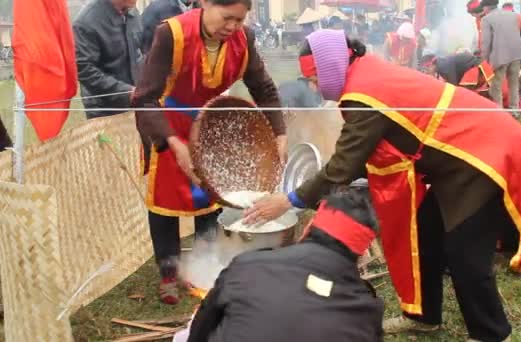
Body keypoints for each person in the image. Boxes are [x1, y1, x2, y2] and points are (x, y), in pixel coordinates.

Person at [244, 30, 521, 342]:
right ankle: (424, 316)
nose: (313, 86)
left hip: (481, 152)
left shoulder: (365, 92)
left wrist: (288, 200)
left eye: (314, 77)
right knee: (426, 234)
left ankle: (492, 334)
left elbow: (344, 165)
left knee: (465, 252)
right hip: (457, 158)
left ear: (331, 66)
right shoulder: (363, 75)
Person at [131, 0, 287, 305]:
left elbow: (264, 89)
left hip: (213, 122)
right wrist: (174, 144)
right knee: (165, 202)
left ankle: (202, 265)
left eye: (240, 20)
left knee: (211, 195)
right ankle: (168, 273)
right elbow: (144, 97)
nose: (232, 27)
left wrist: (280, 132)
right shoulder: (171, 35)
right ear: (205, 3)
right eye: (227, 17)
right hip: (169, 122)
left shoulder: (245, 40)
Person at [187, 188, 384, 342]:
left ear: (307, 228)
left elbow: (199, 331)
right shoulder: (365, 312)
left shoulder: (248, 265)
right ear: (359, 255)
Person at [73, 0, 143, 119]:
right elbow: (85, 70)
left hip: (136, 101)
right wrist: (126, 92)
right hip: (105, 110)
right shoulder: (86, 22)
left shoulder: (131, 11)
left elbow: (139, 50)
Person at [480, 0, 521, 109]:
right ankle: (514, 109)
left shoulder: (486, 19)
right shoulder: (514, 15)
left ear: (486, 8)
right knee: (514, 83)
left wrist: (484, 59)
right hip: (517, 53)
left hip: (500, 55)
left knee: (496, 85)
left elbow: (486, 42)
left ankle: (498, 110)